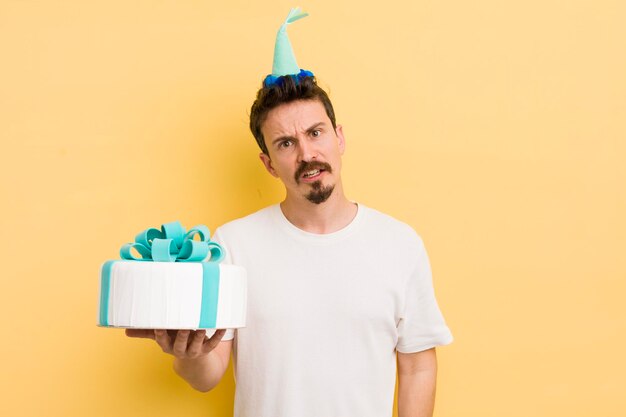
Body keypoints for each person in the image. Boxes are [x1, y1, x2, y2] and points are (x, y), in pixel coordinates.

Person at [127, 9, 452, 417]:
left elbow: (418, 366)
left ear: (338, 137)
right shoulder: (233, 245)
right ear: (267, 163)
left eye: (315, 133)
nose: (306, 154)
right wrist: (187, 352)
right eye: (285, 143)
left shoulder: (400, 244)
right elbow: (208, 375)